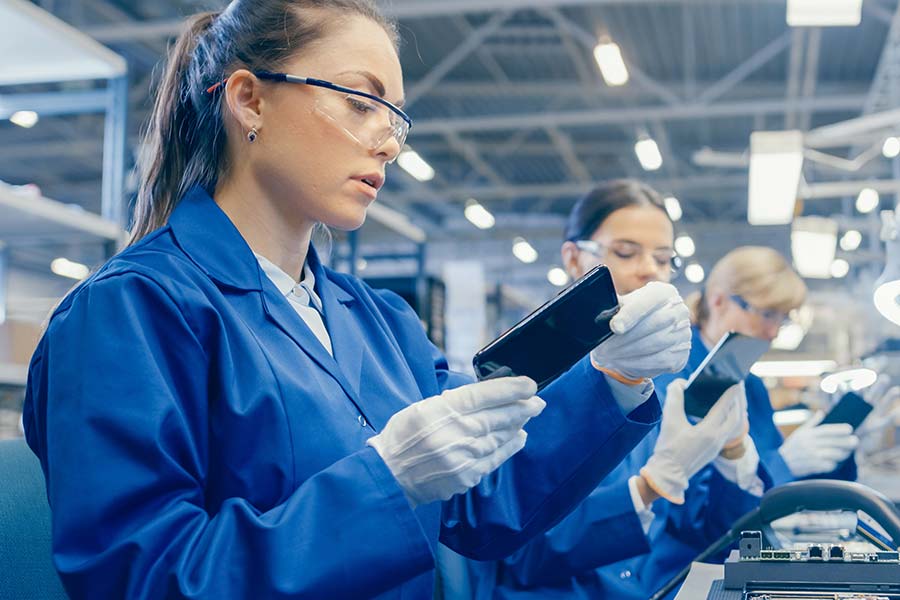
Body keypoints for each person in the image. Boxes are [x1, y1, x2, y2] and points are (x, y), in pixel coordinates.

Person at [22, 3, 692, 599]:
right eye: (360, 102)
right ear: (250, 100)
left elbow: (483, 502)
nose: (390, 141)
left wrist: (616, 380)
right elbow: (142, 579)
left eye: (396, 116)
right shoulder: (130, 314)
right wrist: (382, 484)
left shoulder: (381, 322)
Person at [447, 180, 763, 600]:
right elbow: (515, 549)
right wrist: (649, 487)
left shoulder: (664, 376)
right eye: (626, 253)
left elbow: (700, 529)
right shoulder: (522, 372)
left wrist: (732, 453)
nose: (649, 269)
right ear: (574, 258)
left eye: (664, 258)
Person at [685, 246, 859, 485]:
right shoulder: (673, 374)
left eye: (783, 319)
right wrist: (781, 463)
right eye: (767, 314)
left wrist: (836, 450)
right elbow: (691, 497)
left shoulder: (752, 386)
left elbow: (780, 481)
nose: (774, 332)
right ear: (718, 300)